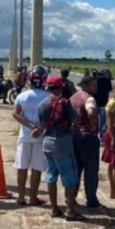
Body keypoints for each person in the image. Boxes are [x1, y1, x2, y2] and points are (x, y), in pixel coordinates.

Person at [39, 75, 83, 221]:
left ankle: (54, 209)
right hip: (63, 142)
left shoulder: (42, 104)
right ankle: (70, 210)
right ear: (60, 88)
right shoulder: (65, 103)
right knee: (70, 178)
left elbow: (43, 125)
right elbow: (76, 120)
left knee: (51, 176)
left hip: (47, 143)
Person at [11, 65, 50, 206]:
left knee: (22, 166)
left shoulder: (22, 96)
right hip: (40, 137)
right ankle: (33, 197)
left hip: (24, 136)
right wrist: (40, 128)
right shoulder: (49, 97)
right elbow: (52, 117)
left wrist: (30, 126)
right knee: (36, 168)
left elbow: (15, 114)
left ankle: (21, 197)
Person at [70, 75, 102, 209]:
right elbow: (91, 112)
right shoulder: (89, 98)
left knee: (76, 168)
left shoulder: (73, 97)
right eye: (93, 85)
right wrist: (94, 124)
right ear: (86, 85)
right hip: (88, 136)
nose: (96, 88)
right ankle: (91, 200)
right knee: (91, 169)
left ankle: (71, 197)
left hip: (74, 135)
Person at [94, 69, 113, 140]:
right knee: (103, 120)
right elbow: (110, 89)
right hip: (104, 102)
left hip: (95, 102)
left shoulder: (95, 80)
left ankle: (96, 132)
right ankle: (100, 134)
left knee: (95, 118)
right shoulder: (107, 80)